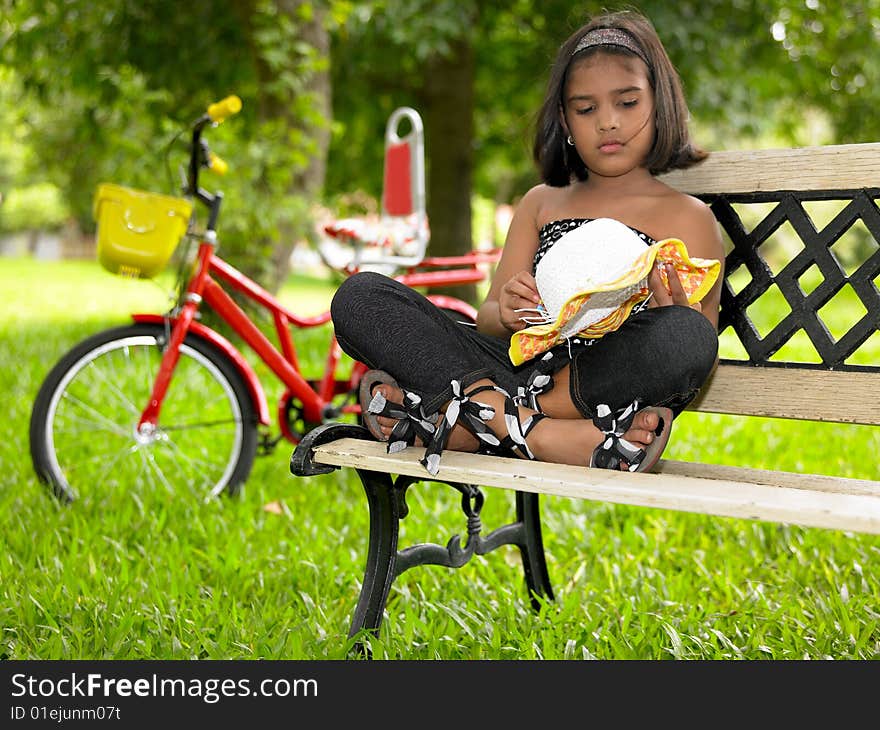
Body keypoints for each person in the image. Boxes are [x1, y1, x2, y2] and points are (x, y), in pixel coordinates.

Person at [330, 9, 724, 476]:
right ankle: (534, 432)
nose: (608, 123)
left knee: (688, 336)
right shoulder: (542, 202)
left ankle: (468, 420)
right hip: (516, 364)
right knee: (360, 296)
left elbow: (695, 350)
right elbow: (491, 319)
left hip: (596, 378)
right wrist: (510, 311)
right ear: (565, 120)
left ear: (659, 105)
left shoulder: (689, 217)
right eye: (586, 108)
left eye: (627, 103)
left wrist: (669, 314)